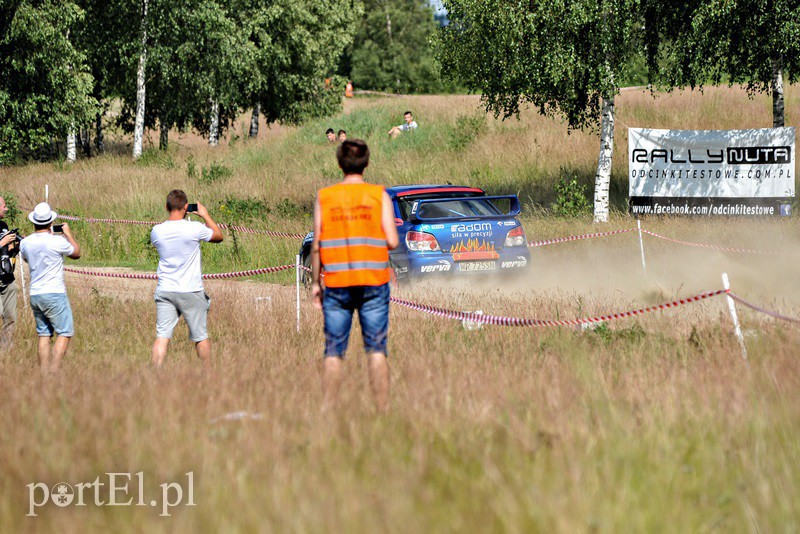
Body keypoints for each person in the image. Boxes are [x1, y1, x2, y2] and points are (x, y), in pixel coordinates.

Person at [311, 139, 400, 411]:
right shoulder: (379, 195)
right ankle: (382, 410)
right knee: (376, 349)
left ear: (339, 163)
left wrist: (316, 283)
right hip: (374, 282)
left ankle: (328, 409)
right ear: (367, 163)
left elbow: (316, 245)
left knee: (334, 349)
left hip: (337, 284)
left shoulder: (325, 197)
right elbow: (393, 241)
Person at [150, 190, 223, 369]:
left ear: (167, 207)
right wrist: (205, 215)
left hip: (166, 289)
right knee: (200, 336)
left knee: (162, 336)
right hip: (191, 289)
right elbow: (218, 236)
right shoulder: (194, 228)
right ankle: (208, 373)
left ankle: (154, 372)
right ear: (186, 208)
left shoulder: (157, 231)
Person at [19, 203, 81, 372]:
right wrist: (68, 234)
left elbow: (26, 258)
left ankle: (43, 372)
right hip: (54, 293)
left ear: (34, 222)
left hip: (35, 294)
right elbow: (76, 253)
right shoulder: (57, 241)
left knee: (44, 333)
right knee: (64, 332)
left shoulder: (25, 242)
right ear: (50, 222)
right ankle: (53, 370)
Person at [0, 196, 19, 350]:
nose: (6, 209)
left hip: (7, 278)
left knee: (10, 317)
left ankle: (6, 351)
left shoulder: (3, 225)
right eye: (4, 206)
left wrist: (14, 247)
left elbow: (7, 252)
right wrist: (2, 243)